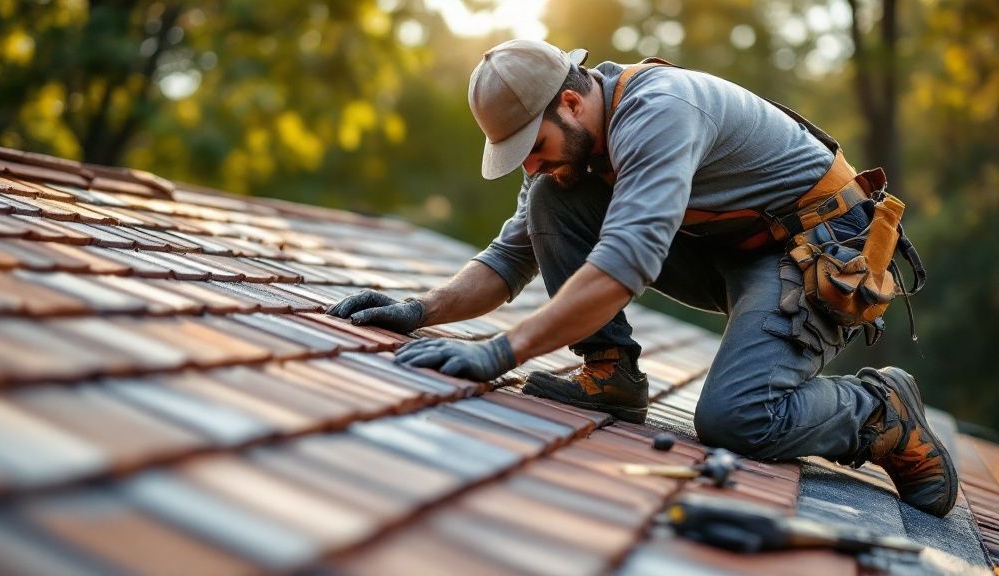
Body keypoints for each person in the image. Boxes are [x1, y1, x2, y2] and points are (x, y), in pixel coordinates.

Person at [328, 39, 957, 517]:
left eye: (536, 145)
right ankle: (612, 374)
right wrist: (419, 311)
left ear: (571, 102)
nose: (534, 164)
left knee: (737, 421)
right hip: (728, 246)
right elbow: (509, 258)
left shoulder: (658, 112)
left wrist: (502, 352)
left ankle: (879, 408)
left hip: (816, 249)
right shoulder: (571, 150)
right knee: (553, 201)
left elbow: (623, 265)